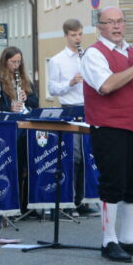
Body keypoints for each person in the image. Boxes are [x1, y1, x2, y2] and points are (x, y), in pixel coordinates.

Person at [82, 6, 133, 263]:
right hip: (109, 127)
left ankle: (128, 237)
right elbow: (106, 86)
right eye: (110, 22)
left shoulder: (131, 51)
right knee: (113, 183)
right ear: (100, 27)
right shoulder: (94, 54)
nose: (116, 27)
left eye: (120, 22)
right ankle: (109, 240)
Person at [46, 19, 93, 212]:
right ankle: (71, 199)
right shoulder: (57, 60)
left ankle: (84, 200)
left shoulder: (88, 57)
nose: (78, 38)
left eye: (80, 34)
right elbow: (52, 89)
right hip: (70, 109)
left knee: (88, 156)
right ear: (66, 36)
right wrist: (71, 82)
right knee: (74, 157)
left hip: (89, 109)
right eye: (74, 35)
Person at [0, 46, 33, 114]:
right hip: (8, 119)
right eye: (13, 62)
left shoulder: (24, 78)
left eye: (18, 62)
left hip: (23, 116)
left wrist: (26, 98)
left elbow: (35, 102)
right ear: (5, 62)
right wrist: (10, 108)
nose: (16, 65)